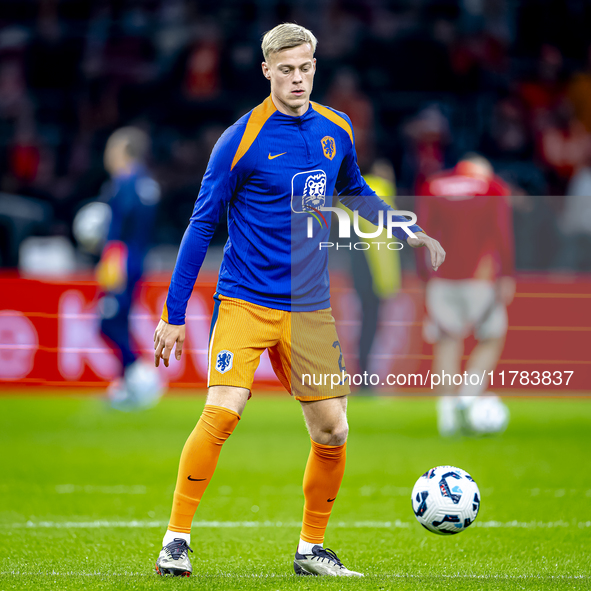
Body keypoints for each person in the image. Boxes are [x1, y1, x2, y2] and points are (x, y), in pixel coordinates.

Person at [153, 23, 445, 578]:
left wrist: (408, 230)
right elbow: (201, 224)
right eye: (285, 69)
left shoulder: (336, 129)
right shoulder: (239, 138)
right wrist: (173, 314)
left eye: (305, 68)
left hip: (309, 307)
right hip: (245, 299)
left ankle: (311, 549)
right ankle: (176, 539)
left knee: (333, 429)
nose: (297, 78)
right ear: (267, 71)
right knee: (224, 411)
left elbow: (355, 191)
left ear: (315, 66)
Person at [417, 154, 515, 436]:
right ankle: (468, 395)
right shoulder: (492, 187)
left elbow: (419, 233)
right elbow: (502, 233)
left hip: (440, 279)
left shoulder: (433, 185)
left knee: (447, 343)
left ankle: (447, 415)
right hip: (480, 279)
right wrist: (507, 273)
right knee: (491, 337)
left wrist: (425, 277)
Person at [98, 127, 163, 410]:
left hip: (120, 262)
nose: (108, 155)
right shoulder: (148, 184)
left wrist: (109, 264)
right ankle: (126, 383)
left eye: (112, 149)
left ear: (124, 152)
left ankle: (141, 377)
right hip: (137, 259)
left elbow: (118, 232)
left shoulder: (123, 184)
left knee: (108, 322)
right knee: (119, 320)